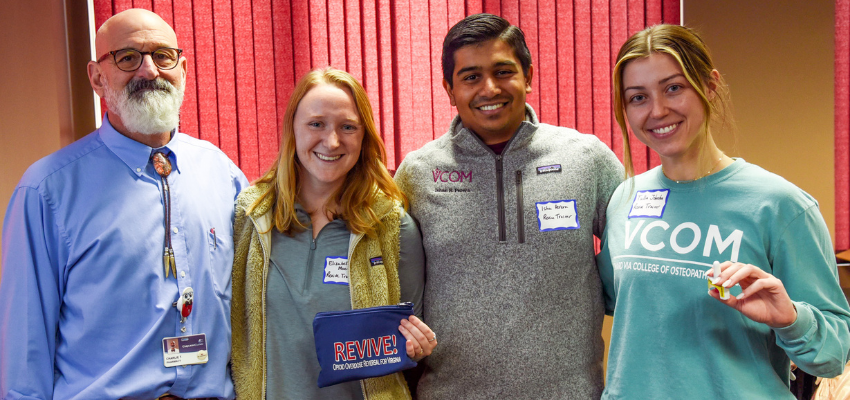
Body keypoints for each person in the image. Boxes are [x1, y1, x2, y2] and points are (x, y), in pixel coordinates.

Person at [0, 8, 248, 399]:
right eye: (127, 57)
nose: (149, 71)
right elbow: (25, 344)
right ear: (98, 78)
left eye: (163, 56)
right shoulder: (47, 191)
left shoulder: (224, 175)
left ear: (182, 68)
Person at [598, 24, 850, 399]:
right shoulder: (625, 198)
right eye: (637, 97)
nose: (658, 110)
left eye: (674, 88)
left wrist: (791, 319)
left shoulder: (782, 205)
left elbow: (832, 356)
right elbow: (618, 303)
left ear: (710, 85)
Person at [394, 13, 623, 399]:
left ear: (528, 77)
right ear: (449, 90)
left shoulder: (586, 159)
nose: (489, 88)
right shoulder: (418, 173)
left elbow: (639, 262)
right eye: (470, 77)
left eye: (503, 71)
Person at [230, 67, 436, 400]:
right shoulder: (251, 218)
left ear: (364, 136)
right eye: (316, 124)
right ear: (293, 129)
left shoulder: (393, 228)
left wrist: (415, 347)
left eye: (347, 127)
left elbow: (409, 344)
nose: (332, 141)